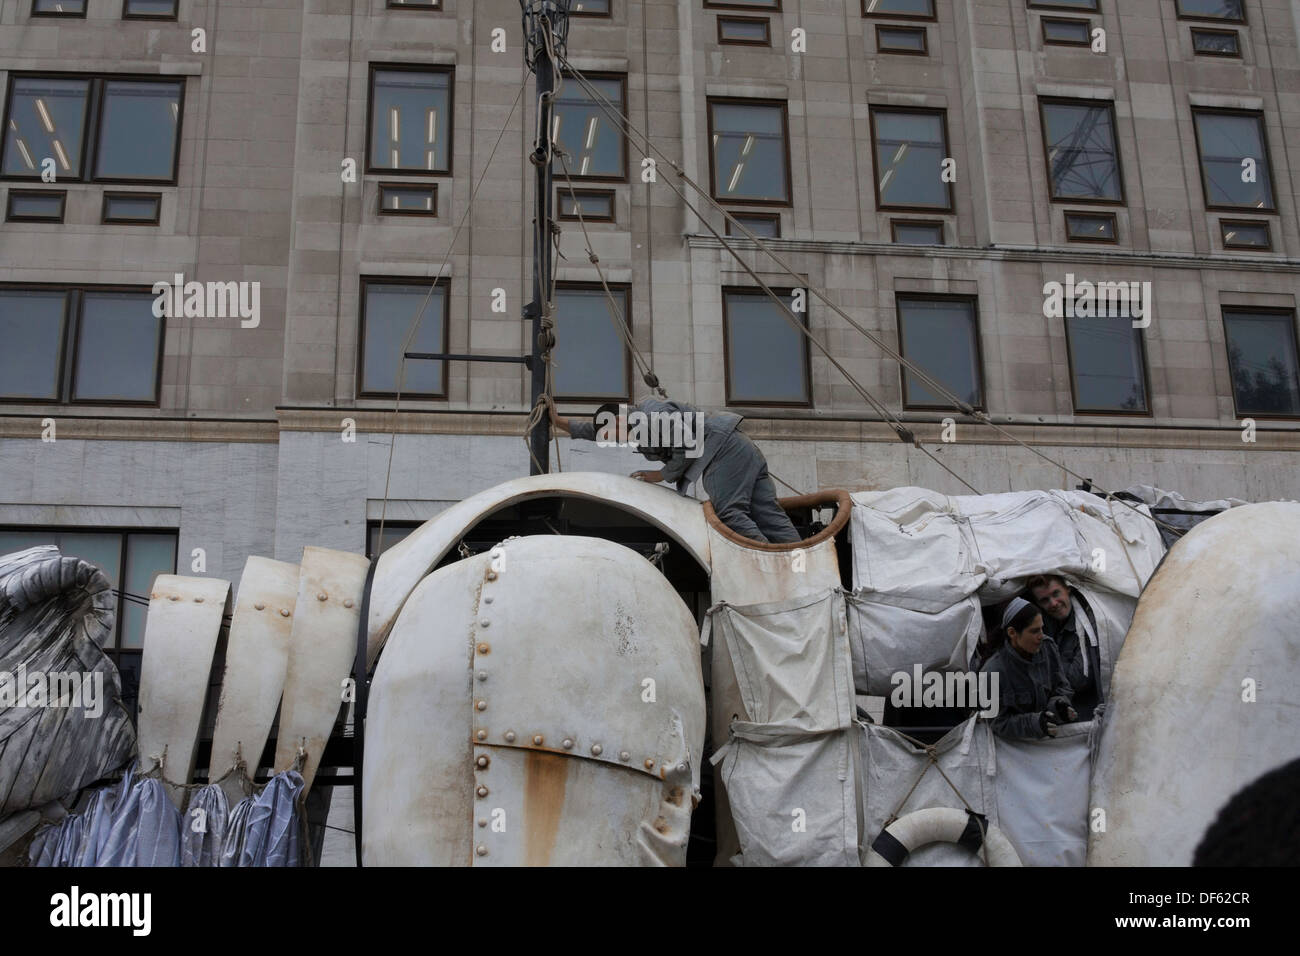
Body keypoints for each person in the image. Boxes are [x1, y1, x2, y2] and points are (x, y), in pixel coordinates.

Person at [546, 395, 801, 544]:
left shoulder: (653, 415)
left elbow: (686, 446)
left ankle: (767, 561)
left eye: (616, 434)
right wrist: (558, 422)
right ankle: (803, 561)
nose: (619, 440)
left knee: (730, 513)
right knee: (766, 514)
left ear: (621, 419)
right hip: (737, 448)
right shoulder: (635, 423)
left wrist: (660, 476)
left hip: (722, 451)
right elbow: (593, 431)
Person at [981, 597, 1076, 740]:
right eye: (1034, 631)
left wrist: (1059, 706)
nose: (1041, 636)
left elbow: (1062, 686)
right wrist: (1035, 724)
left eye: (1042, 628)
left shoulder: (1048, 647)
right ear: (1012, 633)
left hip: (1053, 741)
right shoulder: (992, 672)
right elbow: (998, 723)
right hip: (1017, 750)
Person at [1028, 574, 1102, 720]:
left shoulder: (1088, 623)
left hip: (1087, 715)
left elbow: (1079, 679)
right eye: (1045, 600)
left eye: (1056, 594)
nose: (1054, 603)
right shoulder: (1045, 626)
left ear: (1067, 589)